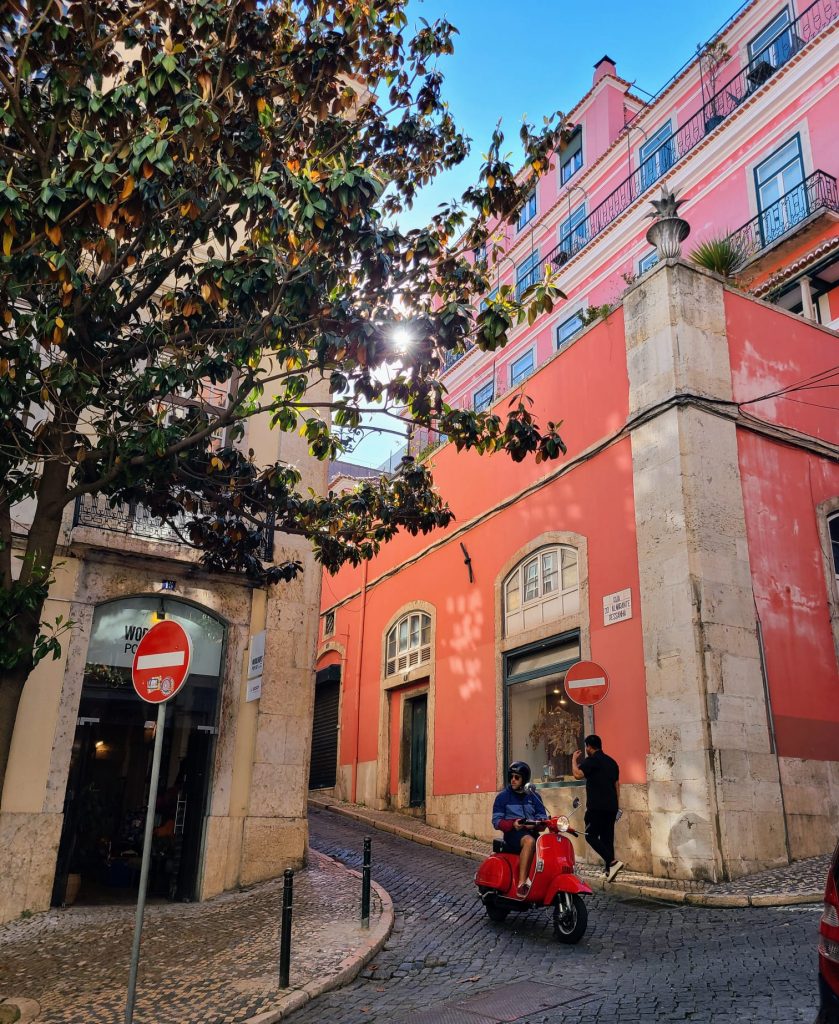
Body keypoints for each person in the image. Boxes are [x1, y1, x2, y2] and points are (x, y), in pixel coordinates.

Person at [491, 760, 549, 897]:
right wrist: (513, 824)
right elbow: (496, 821)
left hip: (531, 831)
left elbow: (542, 816)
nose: (513, 780)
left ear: (524, 779)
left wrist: (537, 823)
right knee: (529, 841)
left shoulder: (534, 796)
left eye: (517, 777)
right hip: (513, 834)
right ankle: (521, 884)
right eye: (511, 776)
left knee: (547, 846)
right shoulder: (503, 797)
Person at [572, 735, 623, 882]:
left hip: (596, 807)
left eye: (586, 747)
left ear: (588, 747)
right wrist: (617, 805)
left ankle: (612, 862)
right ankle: (610, 871)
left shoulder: (591, 761)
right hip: (611, 807)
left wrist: (574, 760)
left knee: (590, 835)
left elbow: (577, 775)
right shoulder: (612, 762)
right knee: (607, 838)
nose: (586, 749)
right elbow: (616, 785)